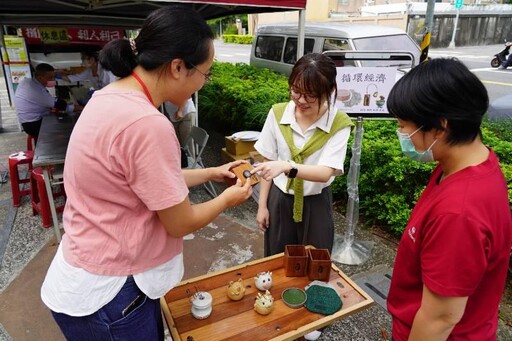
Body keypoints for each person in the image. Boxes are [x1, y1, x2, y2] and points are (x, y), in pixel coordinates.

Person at [40, 6, 253, 340]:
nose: (205, 82)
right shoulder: (147, 124)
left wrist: (210, 172)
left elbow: (147, 183)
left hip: (86, 277)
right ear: (178, 67)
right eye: (206, 73)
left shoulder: (110, 97)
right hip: (113, 295)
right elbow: (179, 222)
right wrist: (228, 199)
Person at [386, 58, 512, 340]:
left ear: (440, 128)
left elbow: (439, 319)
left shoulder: (459, 212)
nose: (401, 134)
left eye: (404, 125)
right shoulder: (469, 164)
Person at [251, 53, 353, 258]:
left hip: (316, 203)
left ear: (330, 90)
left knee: (316, 261)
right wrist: (262, 206)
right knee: (277, 260)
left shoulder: (338, 123)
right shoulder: (278, 114)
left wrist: (287, 167)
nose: (301, 100)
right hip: (279, 200)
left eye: (310, 95)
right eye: (295, 91)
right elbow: (268, 163)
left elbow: (325, 173)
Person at [13, 63, 74, 142]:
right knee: (67, 127)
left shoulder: (28, 82)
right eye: (49, 77)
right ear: (40, 77)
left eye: (53, 77)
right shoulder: (35, 89)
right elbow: (60, 105)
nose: (52, 80)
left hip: (30, 121)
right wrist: (82, 108)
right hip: (33, 124)